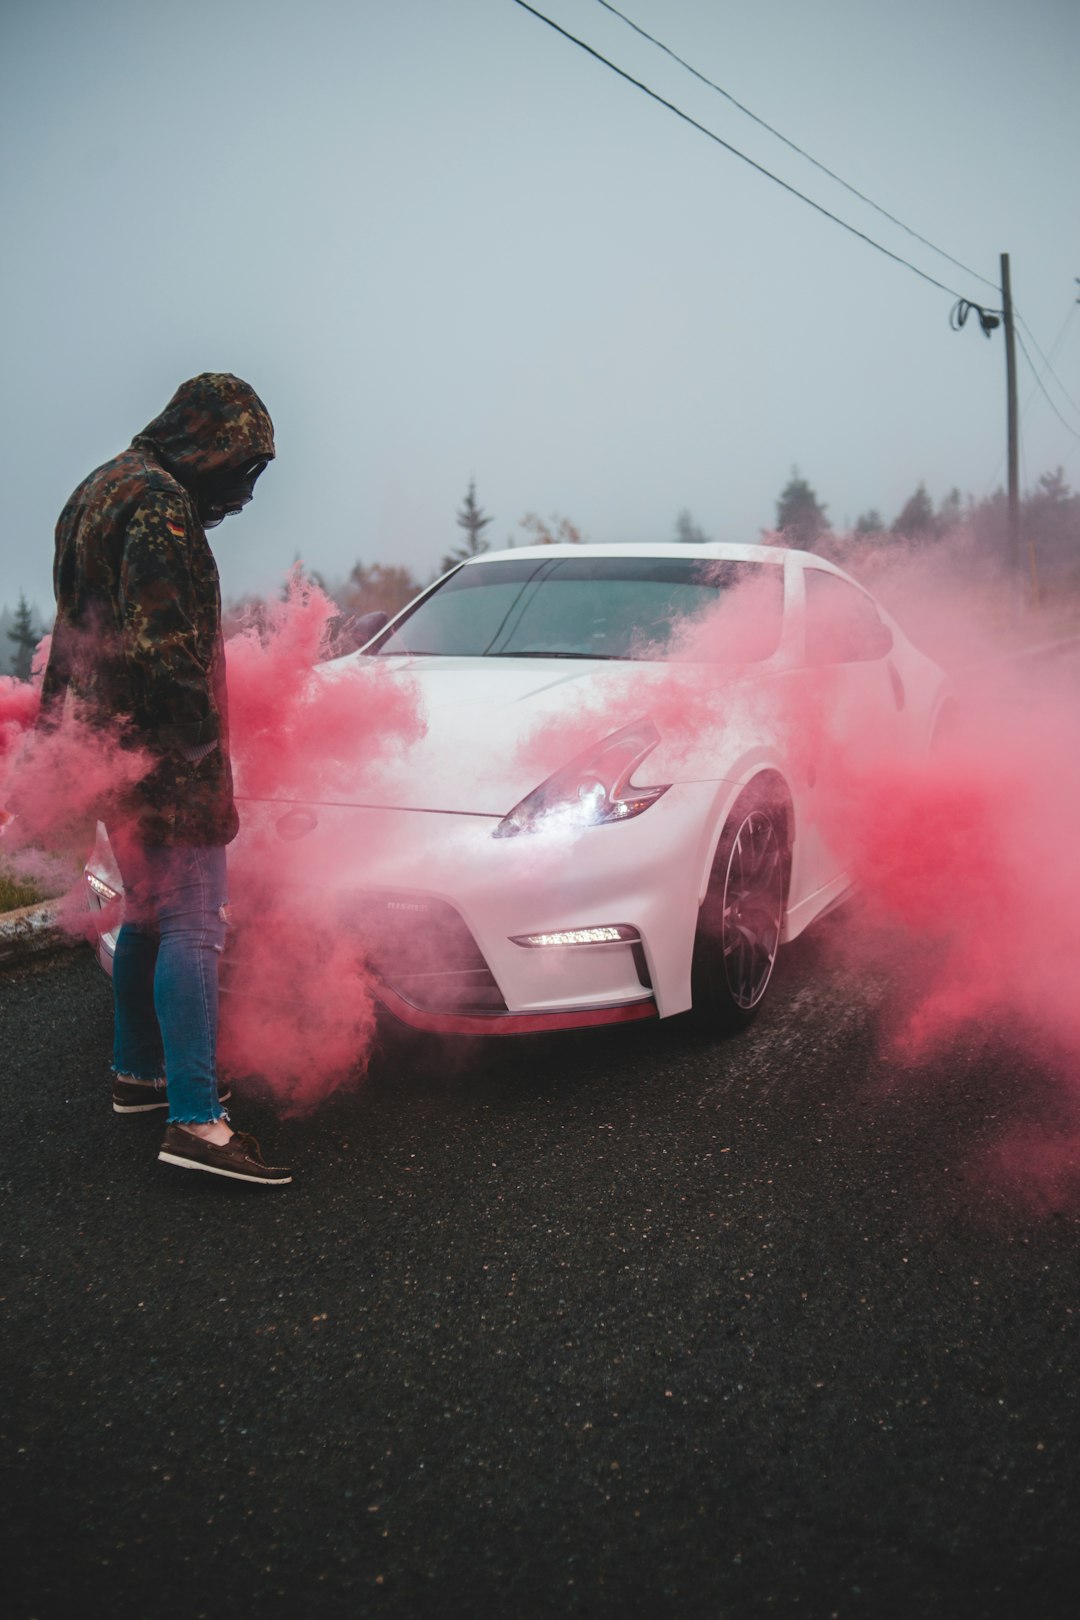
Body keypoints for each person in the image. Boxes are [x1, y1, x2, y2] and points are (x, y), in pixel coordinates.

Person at [40, 373, 291, 1186]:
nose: (243, 491)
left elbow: (76, 635)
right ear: (207, 438)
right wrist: (198, 761)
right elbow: (163, 648)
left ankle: (139, 1073)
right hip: (161, 754)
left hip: (107, 746)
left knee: (147, 913)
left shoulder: (97, 489)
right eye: (241, 467)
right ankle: (197, 1124)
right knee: (194, 920)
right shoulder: (158, 504)